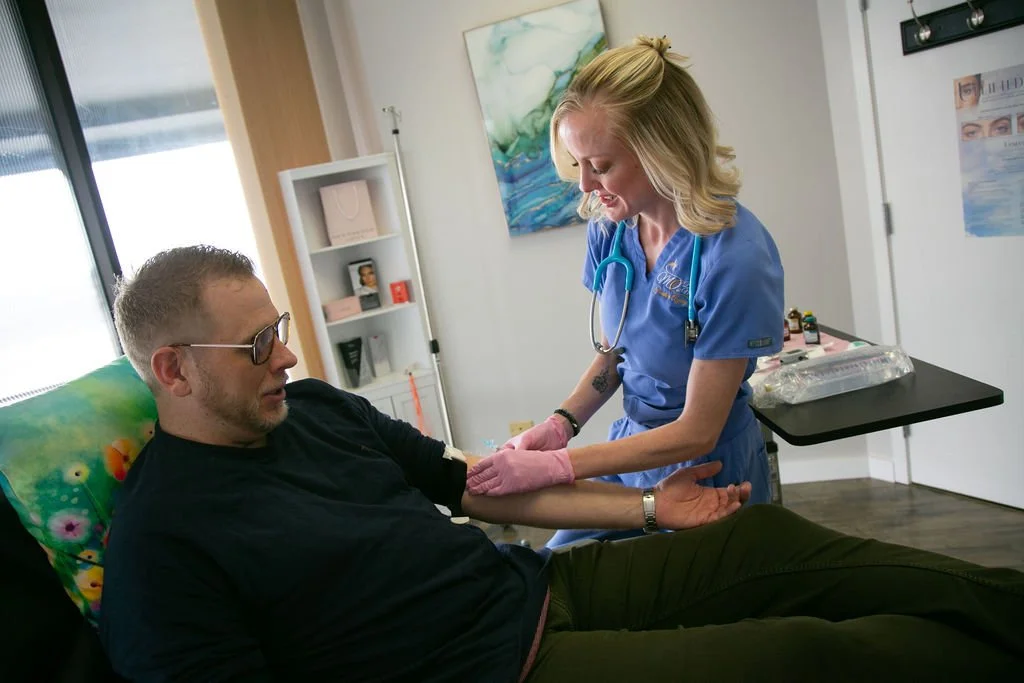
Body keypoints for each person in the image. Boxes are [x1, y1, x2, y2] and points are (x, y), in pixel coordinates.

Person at [97, 245, 1024, 682]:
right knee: (802, 652)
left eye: (282, 330)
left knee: (766, 542)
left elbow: (472, 488)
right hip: (495, 670)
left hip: (535, 589)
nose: (288, 358)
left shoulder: (320, 412)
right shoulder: (161, 545)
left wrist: (656, 512)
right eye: (258, 344)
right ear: (173, 369)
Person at [467, 35, 784, 547]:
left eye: (602, 165)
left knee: (657, 612)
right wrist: (562, 423)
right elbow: (616, 353)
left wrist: (555, 466)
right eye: (578, 164)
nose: (585, 187)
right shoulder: (611, 227)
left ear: (665, 149)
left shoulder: (736, 258)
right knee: (554, 569)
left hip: (707, 468)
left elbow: (697, 430)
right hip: (631, 447)